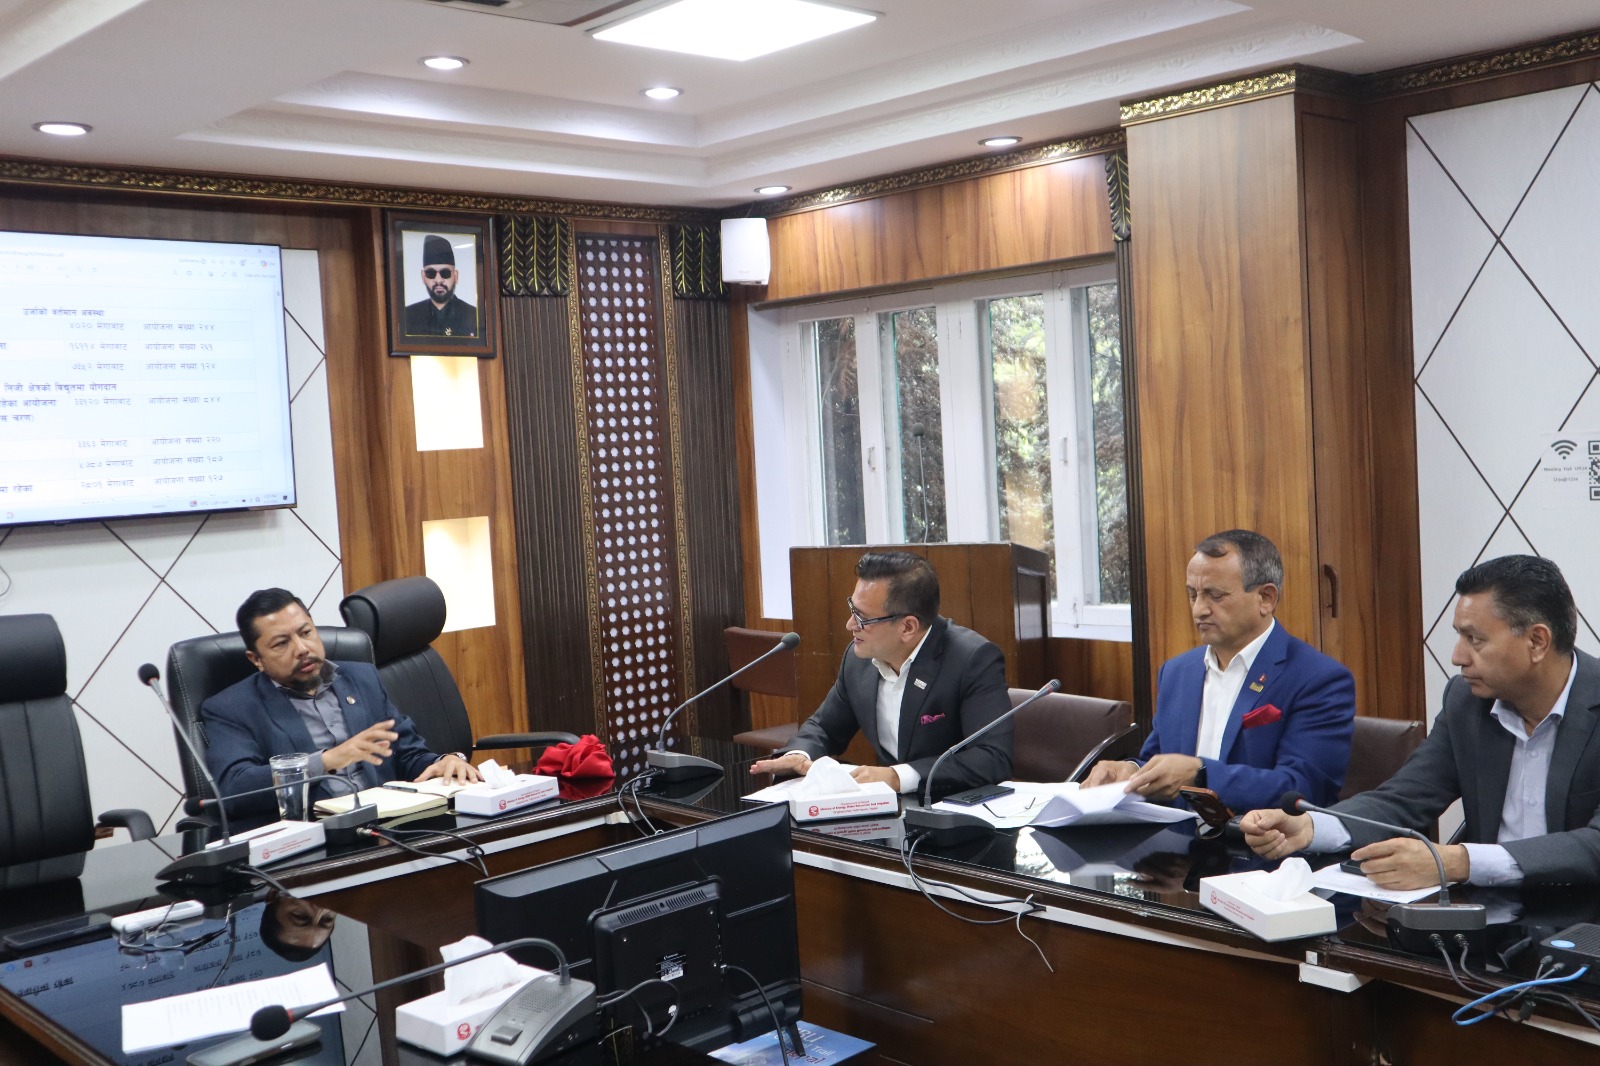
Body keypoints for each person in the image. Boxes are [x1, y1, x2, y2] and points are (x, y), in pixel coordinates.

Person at [1243, 555, 1600, 889]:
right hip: (1491, 911)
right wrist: (1310, 827)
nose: (1457, 656)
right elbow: (1405, 797)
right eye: (1459, 636)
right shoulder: (1467, 702)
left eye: (1474, 639)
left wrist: (1457, 861)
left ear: (1537, 641)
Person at [1085, 530, 1355, 812]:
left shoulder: (1319, 679)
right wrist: (1131, 771)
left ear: (1266, 598)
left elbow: (1304, 790)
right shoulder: (1177, 672)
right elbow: (1158, 760)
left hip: (1254, 837)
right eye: (1193, 595)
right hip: (1174, 835)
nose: (1199, 610)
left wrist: (1201, 775)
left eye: (1215, 595)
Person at [749, 551, 1011, 796]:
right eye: (852, 610)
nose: (850, 625)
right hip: (888, 810)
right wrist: (801, 753)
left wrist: (898, 776)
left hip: (954, 808)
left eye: (862, 618)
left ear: (908, 627)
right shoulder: (858, 659)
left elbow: (992, 757)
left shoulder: (972, 659)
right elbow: (825, 727)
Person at [202, 588, 480, 815]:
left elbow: (407, 754)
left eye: (306, 633)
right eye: (281, 643)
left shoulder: (362, 678)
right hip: (316, 838)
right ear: (256, 659)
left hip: (389, 824)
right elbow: (235, 789)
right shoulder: (231, 708)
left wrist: (444, 762)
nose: (302, 649)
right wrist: (326, 761)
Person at [403, 233, 477, 337]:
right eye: (431, 273)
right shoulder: (408, 316)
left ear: (455, 276)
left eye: (445, 273)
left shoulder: (473, 316)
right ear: (423, 276)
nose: (438, 280)